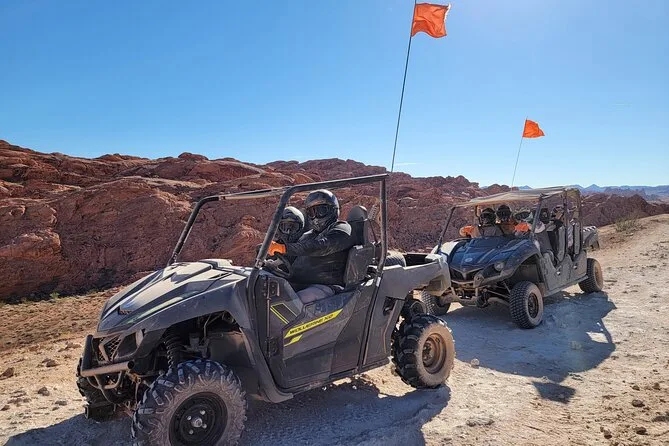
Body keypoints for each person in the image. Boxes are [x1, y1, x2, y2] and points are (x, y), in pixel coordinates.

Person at [268, 189, 356, 303]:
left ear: (333, 209)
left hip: (325, 286)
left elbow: (322, 246)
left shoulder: (341, 228)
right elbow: (293, 255)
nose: (315, 217)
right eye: (311, 212)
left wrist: (284, 248)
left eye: (320, 211)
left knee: (292, 304)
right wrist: (271, 261)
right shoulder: (309, 235)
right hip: (298, 283)